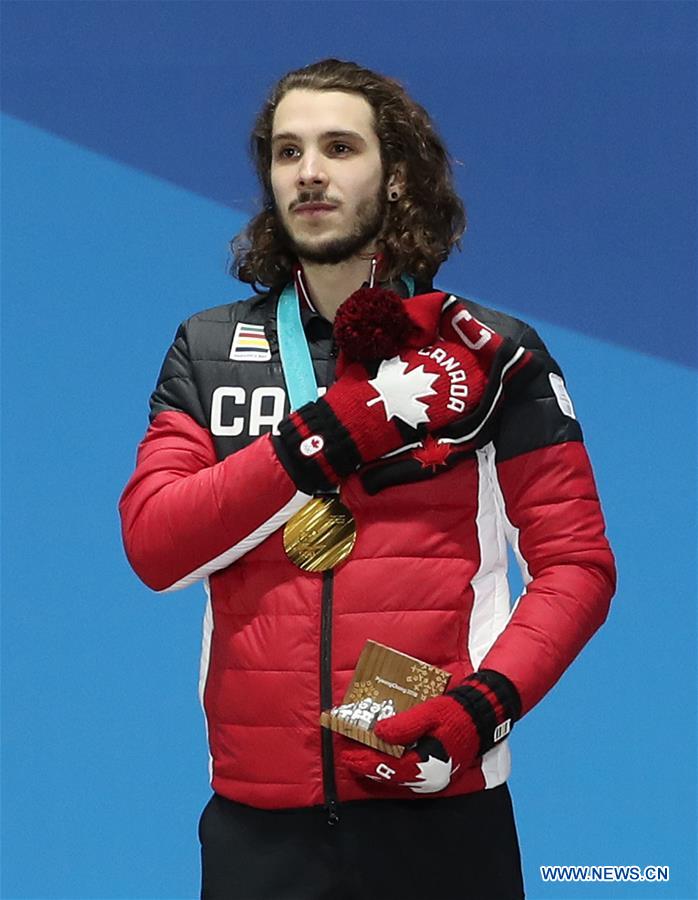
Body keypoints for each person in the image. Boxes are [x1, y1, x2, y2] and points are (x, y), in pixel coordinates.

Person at [119, 59, 616, 900]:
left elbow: (578, 566)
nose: (308, 171)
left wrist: (480, 711)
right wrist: (340, 429)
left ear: (397, 180)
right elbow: (157, 545)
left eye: (339, 147)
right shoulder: (207, 349)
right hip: (256, 828)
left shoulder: (490, 353)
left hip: (441, 805)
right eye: (287, 152)